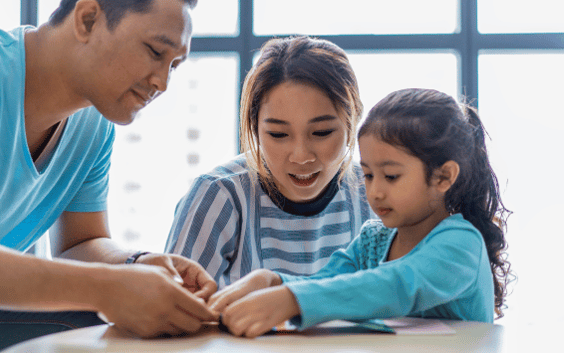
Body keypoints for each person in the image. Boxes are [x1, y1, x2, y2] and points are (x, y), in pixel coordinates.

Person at [0, 0, 219, 351]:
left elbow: (77, 245)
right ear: (87, 20)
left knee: (107, 329)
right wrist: (105, 288)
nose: (163, 83)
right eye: (155, 52)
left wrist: (135, 265)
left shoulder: (93, 123)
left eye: (174, 65)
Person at [208, 88, 513, 338]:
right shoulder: (372, 240)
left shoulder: (461, 245)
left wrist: (289, 300)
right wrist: (273, 281)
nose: (376, 191)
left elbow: (396, 285)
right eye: (368, 175)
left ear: (443, 177)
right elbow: (326, 282)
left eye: (391, 176)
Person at [165, 36, 372, 287]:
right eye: (278, 135)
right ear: (255, 129)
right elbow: (172, 309)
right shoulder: (220, 195)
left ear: (353, 123)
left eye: (321, 133)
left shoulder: (373, 191)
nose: (301, 156)